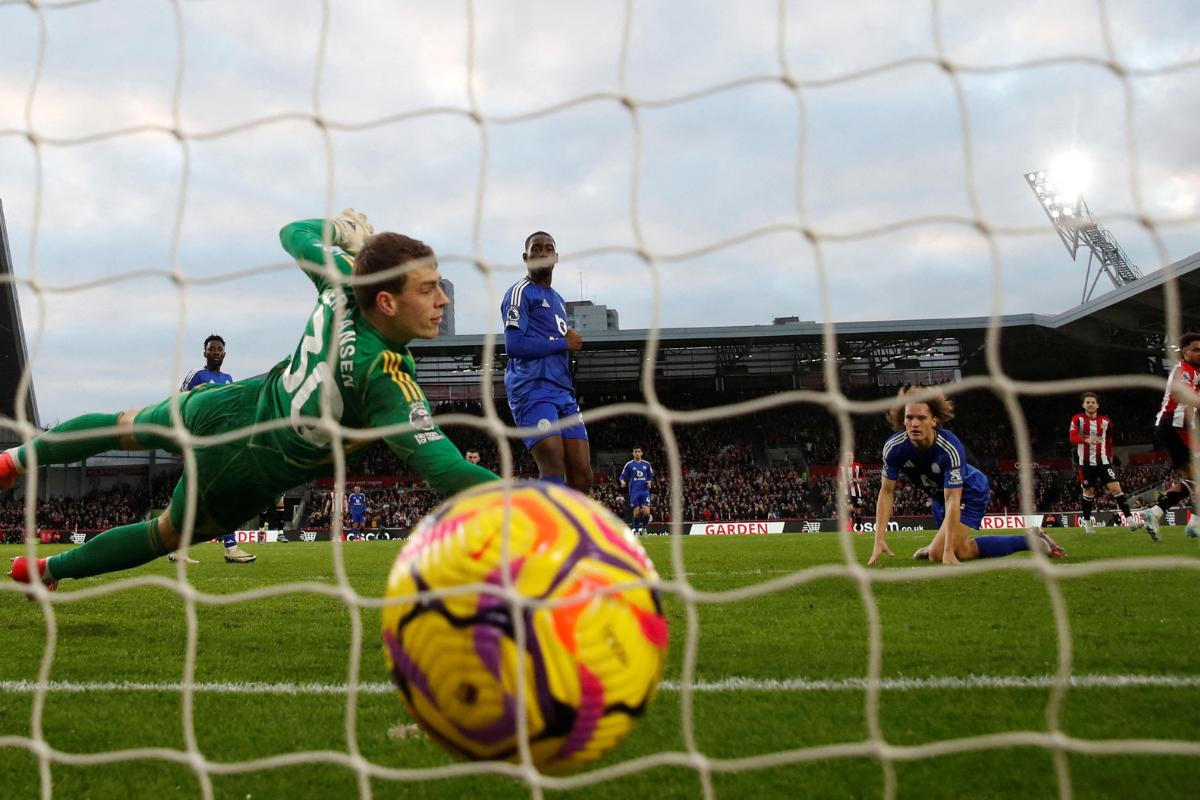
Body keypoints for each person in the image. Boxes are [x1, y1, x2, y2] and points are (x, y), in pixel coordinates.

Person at [6, 209, 497, 592]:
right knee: (166, 535)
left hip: (224, 405)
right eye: (429, 289)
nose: (444, 301)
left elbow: (294, 233)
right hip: (245, 469)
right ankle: (48, 568)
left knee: (123, 423)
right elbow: (447, 471)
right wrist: (543, 506)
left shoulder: (344, 280)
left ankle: (13, 459)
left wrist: (345, 229)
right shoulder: (385, 376)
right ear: (387, 302)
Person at [867, 387, 1066, 567]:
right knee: (958, 550)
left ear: (934, 420)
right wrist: (879, 538)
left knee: (938, 555)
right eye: (909, 418)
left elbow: (953, 498)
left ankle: (1029, 542)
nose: (914, 424)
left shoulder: (950, 447)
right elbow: (886, 491)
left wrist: (946, 552)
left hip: (969, 493)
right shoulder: (894, 448)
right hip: (940, 497)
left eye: (921, 418)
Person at [500, 231, 591, 493]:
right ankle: (549, 533)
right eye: (536, 248)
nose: (542, 252)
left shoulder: (559, 300)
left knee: (583, 476)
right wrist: (563, 343)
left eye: (548, 248)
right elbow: (514, 346)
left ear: (556, 257)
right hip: (531, 389)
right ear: (525, 257)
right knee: (552, 460)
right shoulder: (519, 293)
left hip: (563, 392)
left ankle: (577, 531)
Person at [171, 333, 256, 564]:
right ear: (205, 352)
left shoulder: (229, 379)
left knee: (198, 498)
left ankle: (179, 548)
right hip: (199, 444)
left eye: (219, 349)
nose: (216, 352)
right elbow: (179, 401)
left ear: (224, 354)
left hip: (221, 446)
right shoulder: (196, 375)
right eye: (212, 348)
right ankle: (230, 547)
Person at [1141, 332, 1200, 541]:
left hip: (1180, 428)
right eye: (1196, 349)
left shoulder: (1195, 371)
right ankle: (1194, 524)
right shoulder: (1182, 371)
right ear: (1186, 352)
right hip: (1172, 426)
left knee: (1193, 479)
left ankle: (1155, 513)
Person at [1068, 391, 1134, 535]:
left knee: (1116, 488)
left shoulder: (1106, 422)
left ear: (1097, 405)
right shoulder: (1077, 419)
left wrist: (1109, 455)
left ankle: (1130, 520)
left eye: (1093, 402)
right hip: (1085, 463)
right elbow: (1072, 437)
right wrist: (1086, 440)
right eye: (1088, 402)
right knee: (1088, 492)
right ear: (1083, 405)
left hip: (1103, 462)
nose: (1090, 404)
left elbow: (1109, 439)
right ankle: (1086, 522)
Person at [619, 447, 654, 534]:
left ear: (641, 453)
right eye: (635, 452)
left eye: (639, 451)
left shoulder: (647, 464)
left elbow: (650, 476)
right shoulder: (629, 464)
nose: (637, 453)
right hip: (634, 491)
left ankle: (644, 528)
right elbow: (622, 476)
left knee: (647, 512)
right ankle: (637, 531)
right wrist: (622, 481)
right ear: (633, 453)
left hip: (644, 490)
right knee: (636, 513)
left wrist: (649, 481)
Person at [838, 456, 865, 532]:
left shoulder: (858, 466)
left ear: (853, 457)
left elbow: (862, 477)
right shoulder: (842, 467)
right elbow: (839, 478)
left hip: (856, 491)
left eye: (850, 456)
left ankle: (859, 527)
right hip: (847, 491)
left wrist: (858, 480)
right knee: (849, 508)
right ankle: (851, 527)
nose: (849, 457)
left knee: (858, 510)